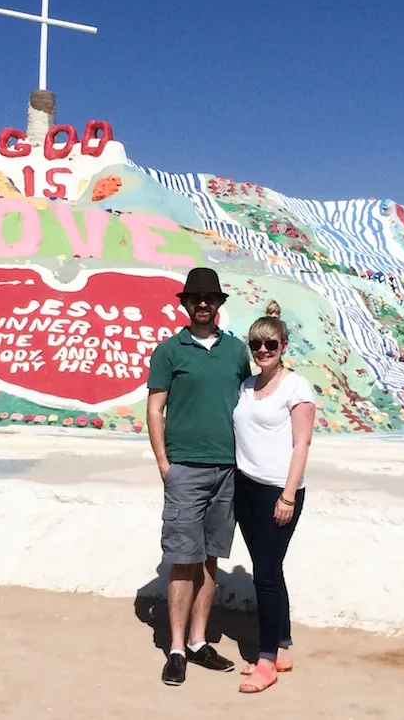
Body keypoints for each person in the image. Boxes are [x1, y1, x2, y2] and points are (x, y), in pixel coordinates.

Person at [146, 267, 252, 686]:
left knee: (210, 558)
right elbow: (156, 408)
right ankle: (175, 649)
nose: (203, 303)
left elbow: (253, 401)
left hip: (228, 469)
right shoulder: (170, 351)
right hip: (185, 468)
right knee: (182, 559)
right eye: (196, 297)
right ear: (186, 304)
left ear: (219, 304)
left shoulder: (236, 351)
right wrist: (164, 464)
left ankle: (198, 641)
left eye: (211, 297)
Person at [232, 300, 315, 695]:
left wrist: (286, 496)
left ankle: (265, 661)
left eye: (271, 344)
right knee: (269, 567)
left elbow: (301, 445)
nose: (262, 351)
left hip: (277, 491)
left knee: (264, 575)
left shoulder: (297, 386)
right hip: (244, 487)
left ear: (284, 346)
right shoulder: (247, 387)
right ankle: (282, 646)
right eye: (256, 344)